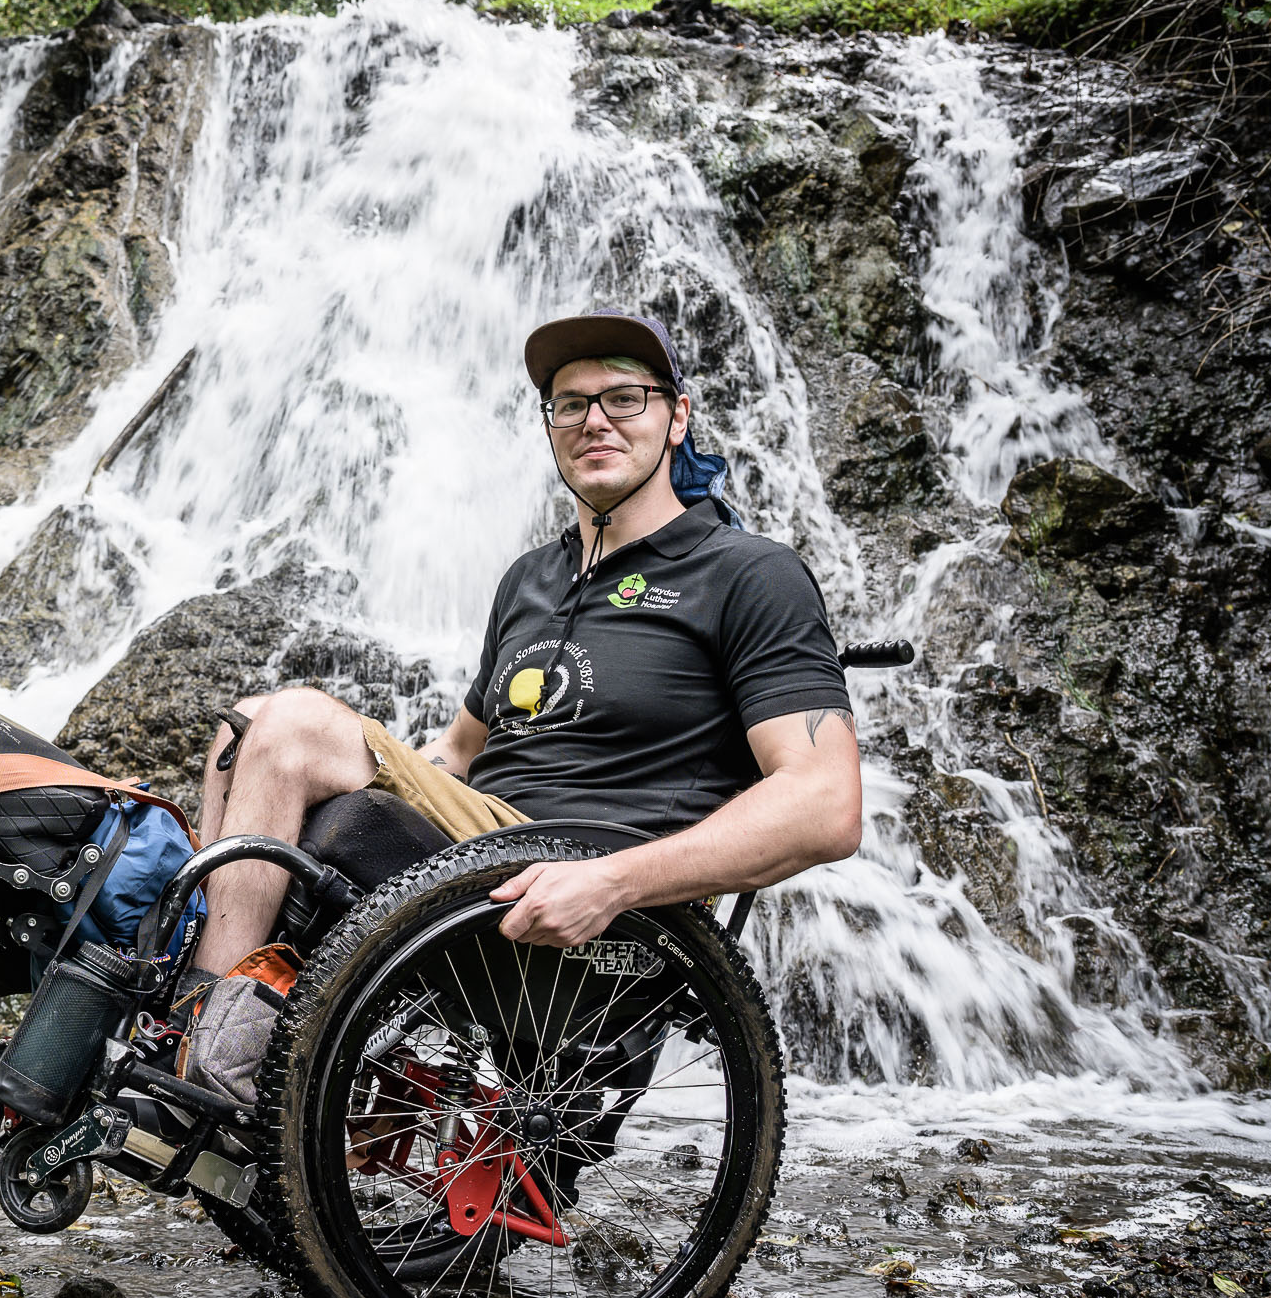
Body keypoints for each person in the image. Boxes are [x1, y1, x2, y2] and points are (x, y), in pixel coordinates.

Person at [174, 309, 863, 1103]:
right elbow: (455, 756)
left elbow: (826, 802)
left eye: (625, 398)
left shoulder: (748, 574)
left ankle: (199, 1045)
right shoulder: (531, 580)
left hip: (594, 888)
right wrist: (333, 782)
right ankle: (208, 1013)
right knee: (251, 725)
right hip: (485, 845)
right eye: (570, 403)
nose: (594, 419)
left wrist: (616, 879)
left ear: (677, 419)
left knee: (292, 726)